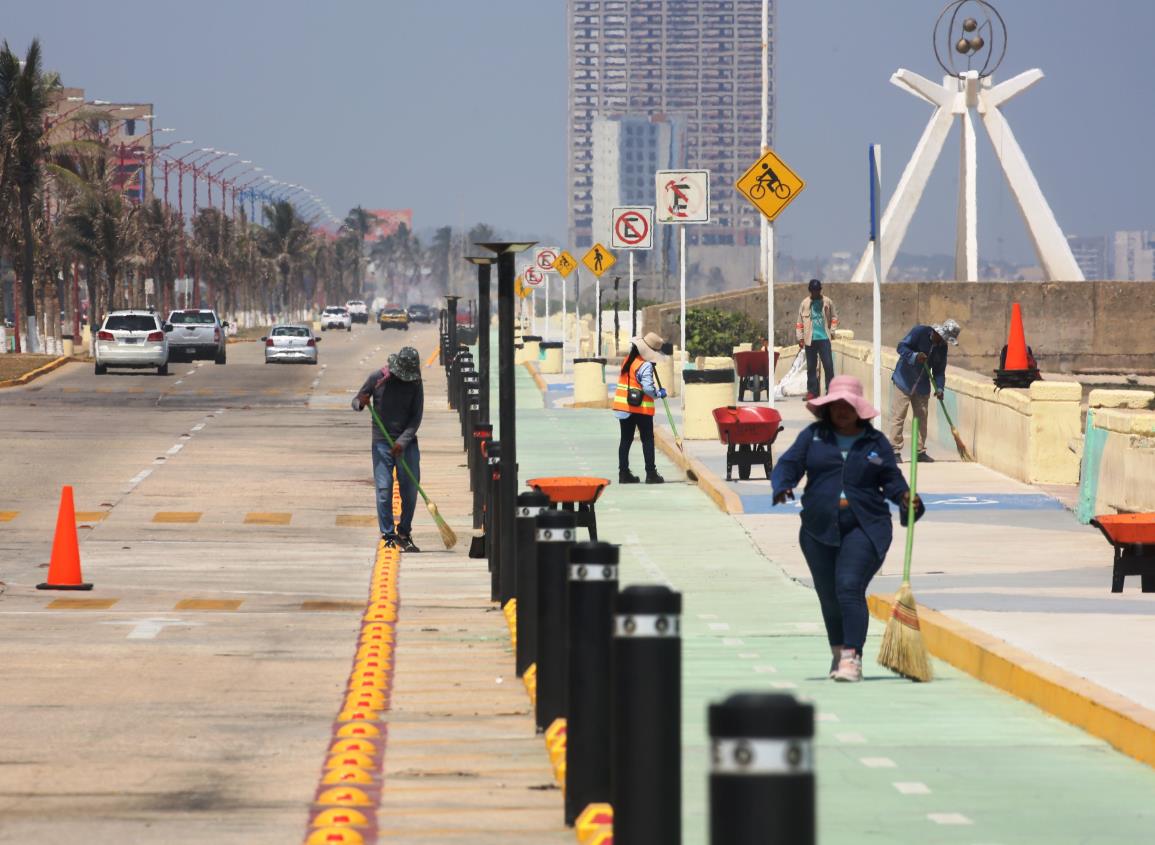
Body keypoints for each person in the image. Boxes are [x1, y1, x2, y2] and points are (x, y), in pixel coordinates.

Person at [771, 375, 923, 682]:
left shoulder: (875, 442)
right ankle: (838, 654)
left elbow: (892, 482)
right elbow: (789, 464)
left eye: (848, 405)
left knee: (849, 586)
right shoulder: (813, 437)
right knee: (829, 595)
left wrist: (906, 498)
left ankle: (853, 657)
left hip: (866, 527)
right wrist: (783, 485)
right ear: (827, 408)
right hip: (818, 529)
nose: (842, 411)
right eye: (836, 405)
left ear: (859, 409)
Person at [351, 346, 424, 552]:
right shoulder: (378, 377)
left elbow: (416, 417)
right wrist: (361, 403)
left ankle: (404, 531)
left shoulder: (416, 383)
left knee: (409, 490)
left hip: (406, 445)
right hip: (382, 443)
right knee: (384, 490)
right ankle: (388, 534)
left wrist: (402, 441)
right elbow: (356, 402)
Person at [889, 319, 961, 463]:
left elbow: (939, 371)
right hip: (904, 380)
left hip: (922, 385)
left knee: (922, 417)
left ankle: (919, 451)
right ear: (938, 332)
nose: (943, 342)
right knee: (899, 416)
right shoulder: (920, 332)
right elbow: (901, 347)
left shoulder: (942, 347)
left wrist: (940, 388)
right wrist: (915, 356)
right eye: (943, 338)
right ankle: (894, 451)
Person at [612, 331, 667, 485]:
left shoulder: (628, 360)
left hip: (624, 407)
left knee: (625, 440)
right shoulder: (646, 365)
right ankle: (651, 473)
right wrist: (658, 394)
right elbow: (648, 388)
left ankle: (623, 473)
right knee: (647, 440)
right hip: (641, 409)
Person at [796, 279, 839, 400]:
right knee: (811, 367)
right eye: (813, 291)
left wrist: (832, 331)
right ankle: (812, 392)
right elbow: (799, 322)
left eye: (817, 290)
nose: (815, 293)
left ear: (820, 290)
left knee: (828, 366)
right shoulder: (805, 303)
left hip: (824, 338)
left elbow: (834, 317)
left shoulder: (827, 302)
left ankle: (830, 391)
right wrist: (800, 338)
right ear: (810, 291)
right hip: (810, 339)